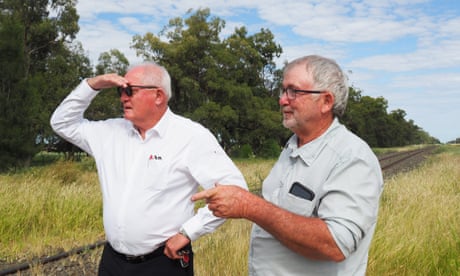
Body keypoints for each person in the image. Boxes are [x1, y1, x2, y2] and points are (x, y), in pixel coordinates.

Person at [192, 55, 384, 275]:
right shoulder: (293, 146)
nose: (283, 100)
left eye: (294, 91)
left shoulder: (352, 158)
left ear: (326, 101)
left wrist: (249, 206)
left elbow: (335, 244)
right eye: (283, 91)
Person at [50, 62, 247, 276]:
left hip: (163, 262)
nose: (122, 97)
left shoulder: (190, 136)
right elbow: (62, 123)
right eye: (120, 91)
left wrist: (189, 232)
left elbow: (234, 190)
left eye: (129, 90)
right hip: (112, 261)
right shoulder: (109, 133)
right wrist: (93, 85)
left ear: (158, 96)